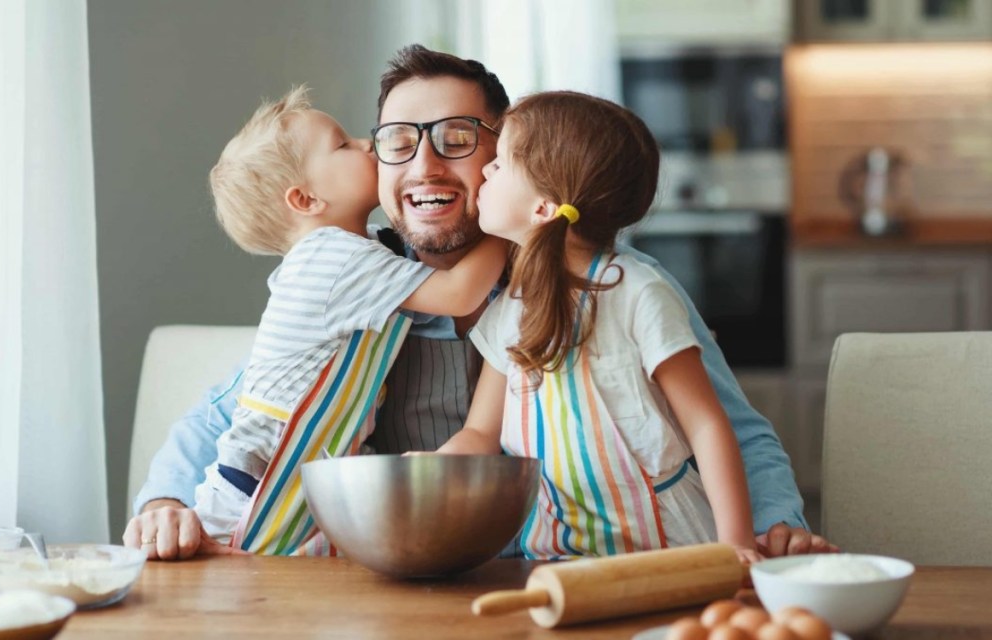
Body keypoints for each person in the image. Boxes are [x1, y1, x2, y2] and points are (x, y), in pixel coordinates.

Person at [124, 44, 836, 561]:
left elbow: (732, 430)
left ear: (519, 163)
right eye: (398, 143)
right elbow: (238, 411)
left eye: (459, 140)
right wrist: (163, 505)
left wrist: (772, 528)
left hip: (584, 570)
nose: (426, 165)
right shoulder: (365, 289)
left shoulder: (621, 287)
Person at [437, 91, 761, 563]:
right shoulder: (510, 308)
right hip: (556, 556)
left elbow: (708, 424)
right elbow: (480, 434)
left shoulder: (637, 293)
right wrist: (430, 469)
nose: (485, 169)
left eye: (501, 163)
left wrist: (736, 545)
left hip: (669, 551)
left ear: (544, 208)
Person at [190, 85, 506, 552]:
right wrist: (512, 224)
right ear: (305, 199)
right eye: (342, 144)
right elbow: (461, 293)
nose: (366, 143)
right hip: (259, 478)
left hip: (308, 467)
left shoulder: (364, 252)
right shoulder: (331, 258)